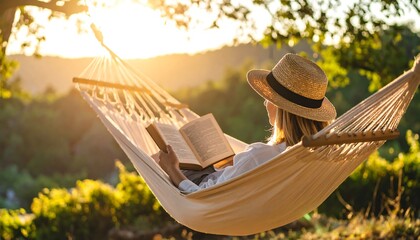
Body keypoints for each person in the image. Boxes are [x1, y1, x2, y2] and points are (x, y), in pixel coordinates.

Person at [156, 53, 337, 193]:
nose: (265, 103)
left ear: (281, 108)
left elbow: (201, 195)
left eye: (268, 98)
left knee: (155, 159)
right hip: (238, 188)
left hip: (197, 185)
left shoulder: (259, 156)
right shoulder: (319, 156)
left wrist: (173, 170)